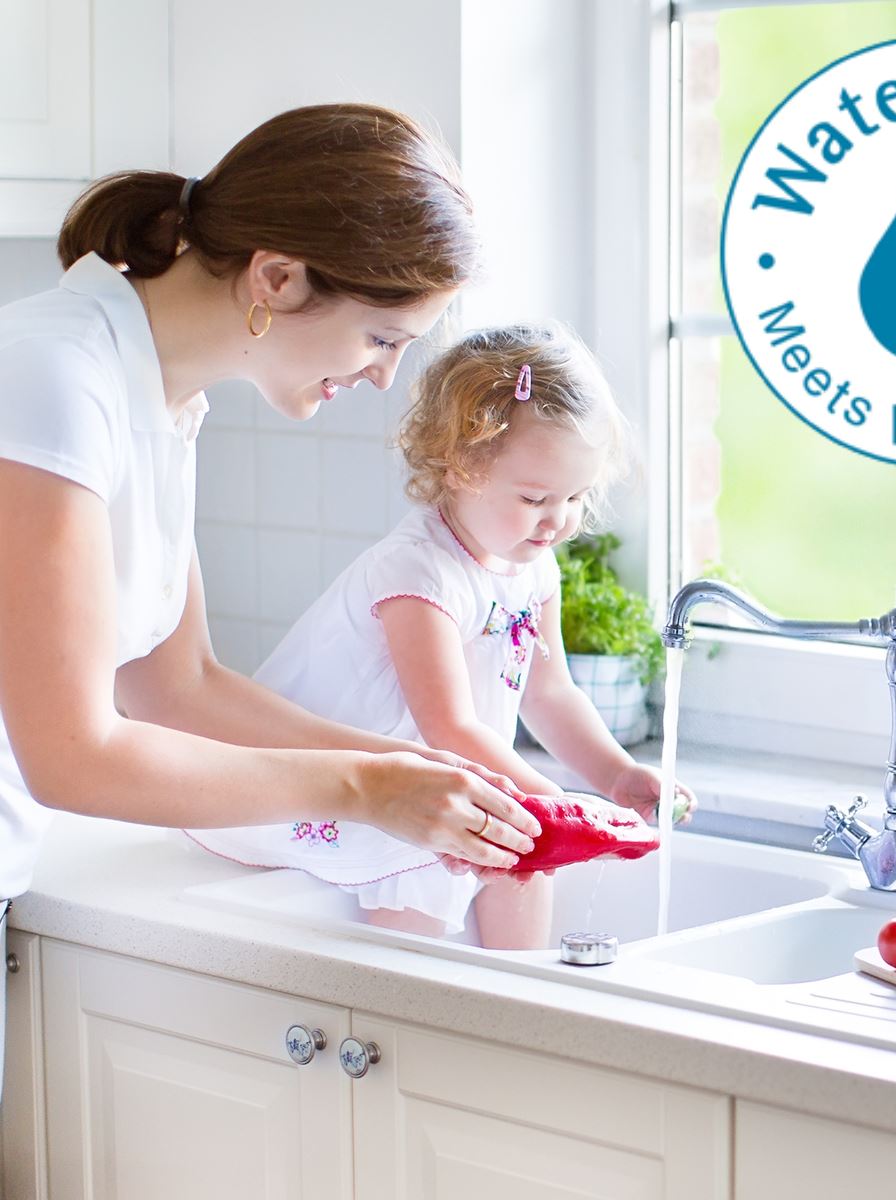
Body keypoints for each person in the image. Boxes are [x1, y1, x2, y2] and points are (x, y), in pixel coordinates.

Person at [0, 104, 544, 1092]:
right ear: (278, 277)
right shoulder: (53, 376)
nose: (383, 379)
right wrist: (363, 792)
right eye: (383, 338)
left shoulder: (159, 398)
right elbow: (70, 755)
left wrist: (408, 764)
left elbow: (180, 684)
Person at [187, 325, 696, 949]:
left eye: (576, 496)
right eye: (536, 496)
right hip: (354, 788)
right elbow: (448, 727)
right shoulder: (418, 571)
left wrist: (614, 777)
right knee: (434, 880)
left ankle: (521, 1012)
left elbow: (551, 694)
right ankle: (424, 1017)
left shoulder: (533, 565)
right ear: (459, 467)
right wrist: (562, 807)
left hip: (452, 777)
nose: (559, 519)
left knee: (525, 857)